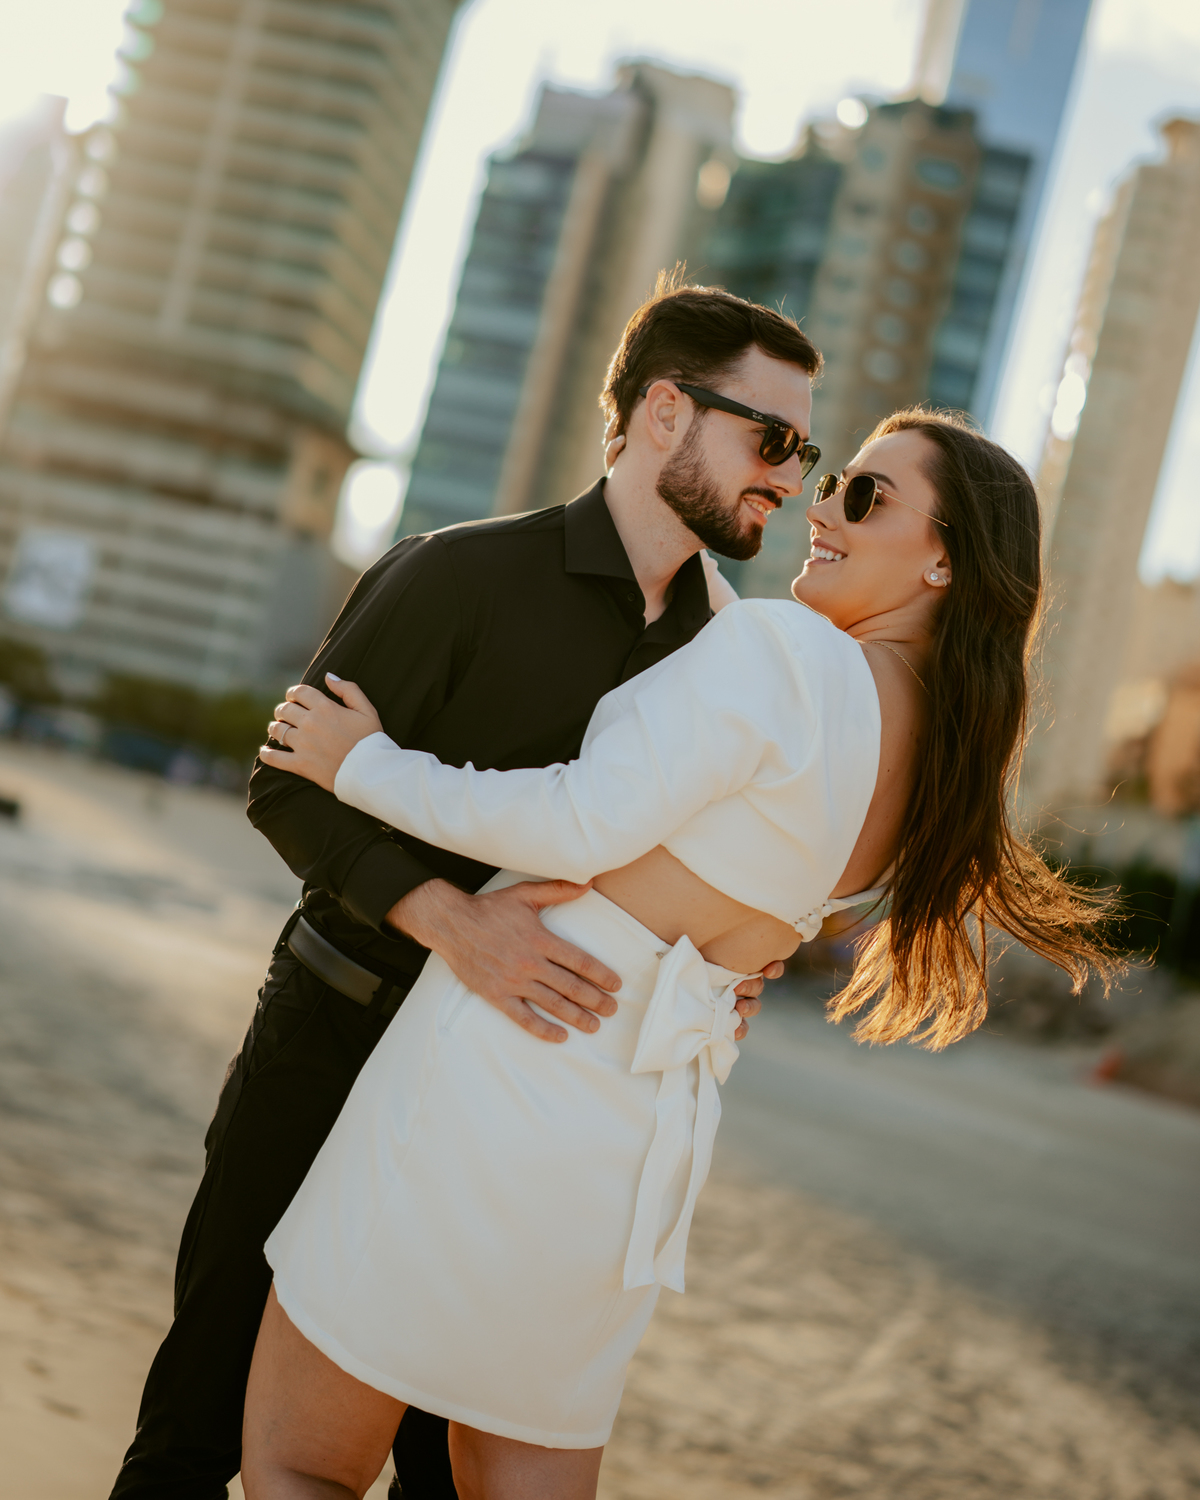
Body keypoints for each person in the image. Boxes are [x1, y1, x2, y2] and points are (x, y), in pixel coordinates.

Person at [245, 408, 1115, 1499]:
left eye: (867, 496)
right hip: (637, 1139)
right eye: (833, 481)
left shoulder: (790, 653)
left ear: (947, 559)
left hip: (507, 1061)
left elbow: (576, 822)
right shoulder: (933, 769)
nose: (824, 509)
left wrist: (362, 764)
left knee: (300, 1462)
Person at [108, 277, 819, 1500]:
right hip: (334, 1041)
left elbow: (688, 864)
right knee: (201, 1428)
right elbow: (286, 786)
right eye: (772, 440)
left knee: (445, 1468)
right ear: (665, 412)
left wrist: (721, 971)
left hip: (512, 1101)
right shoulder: (456, 572)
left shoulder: (723, 649)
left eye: (805, 452)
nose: (791, 478)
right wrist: (454, 924)